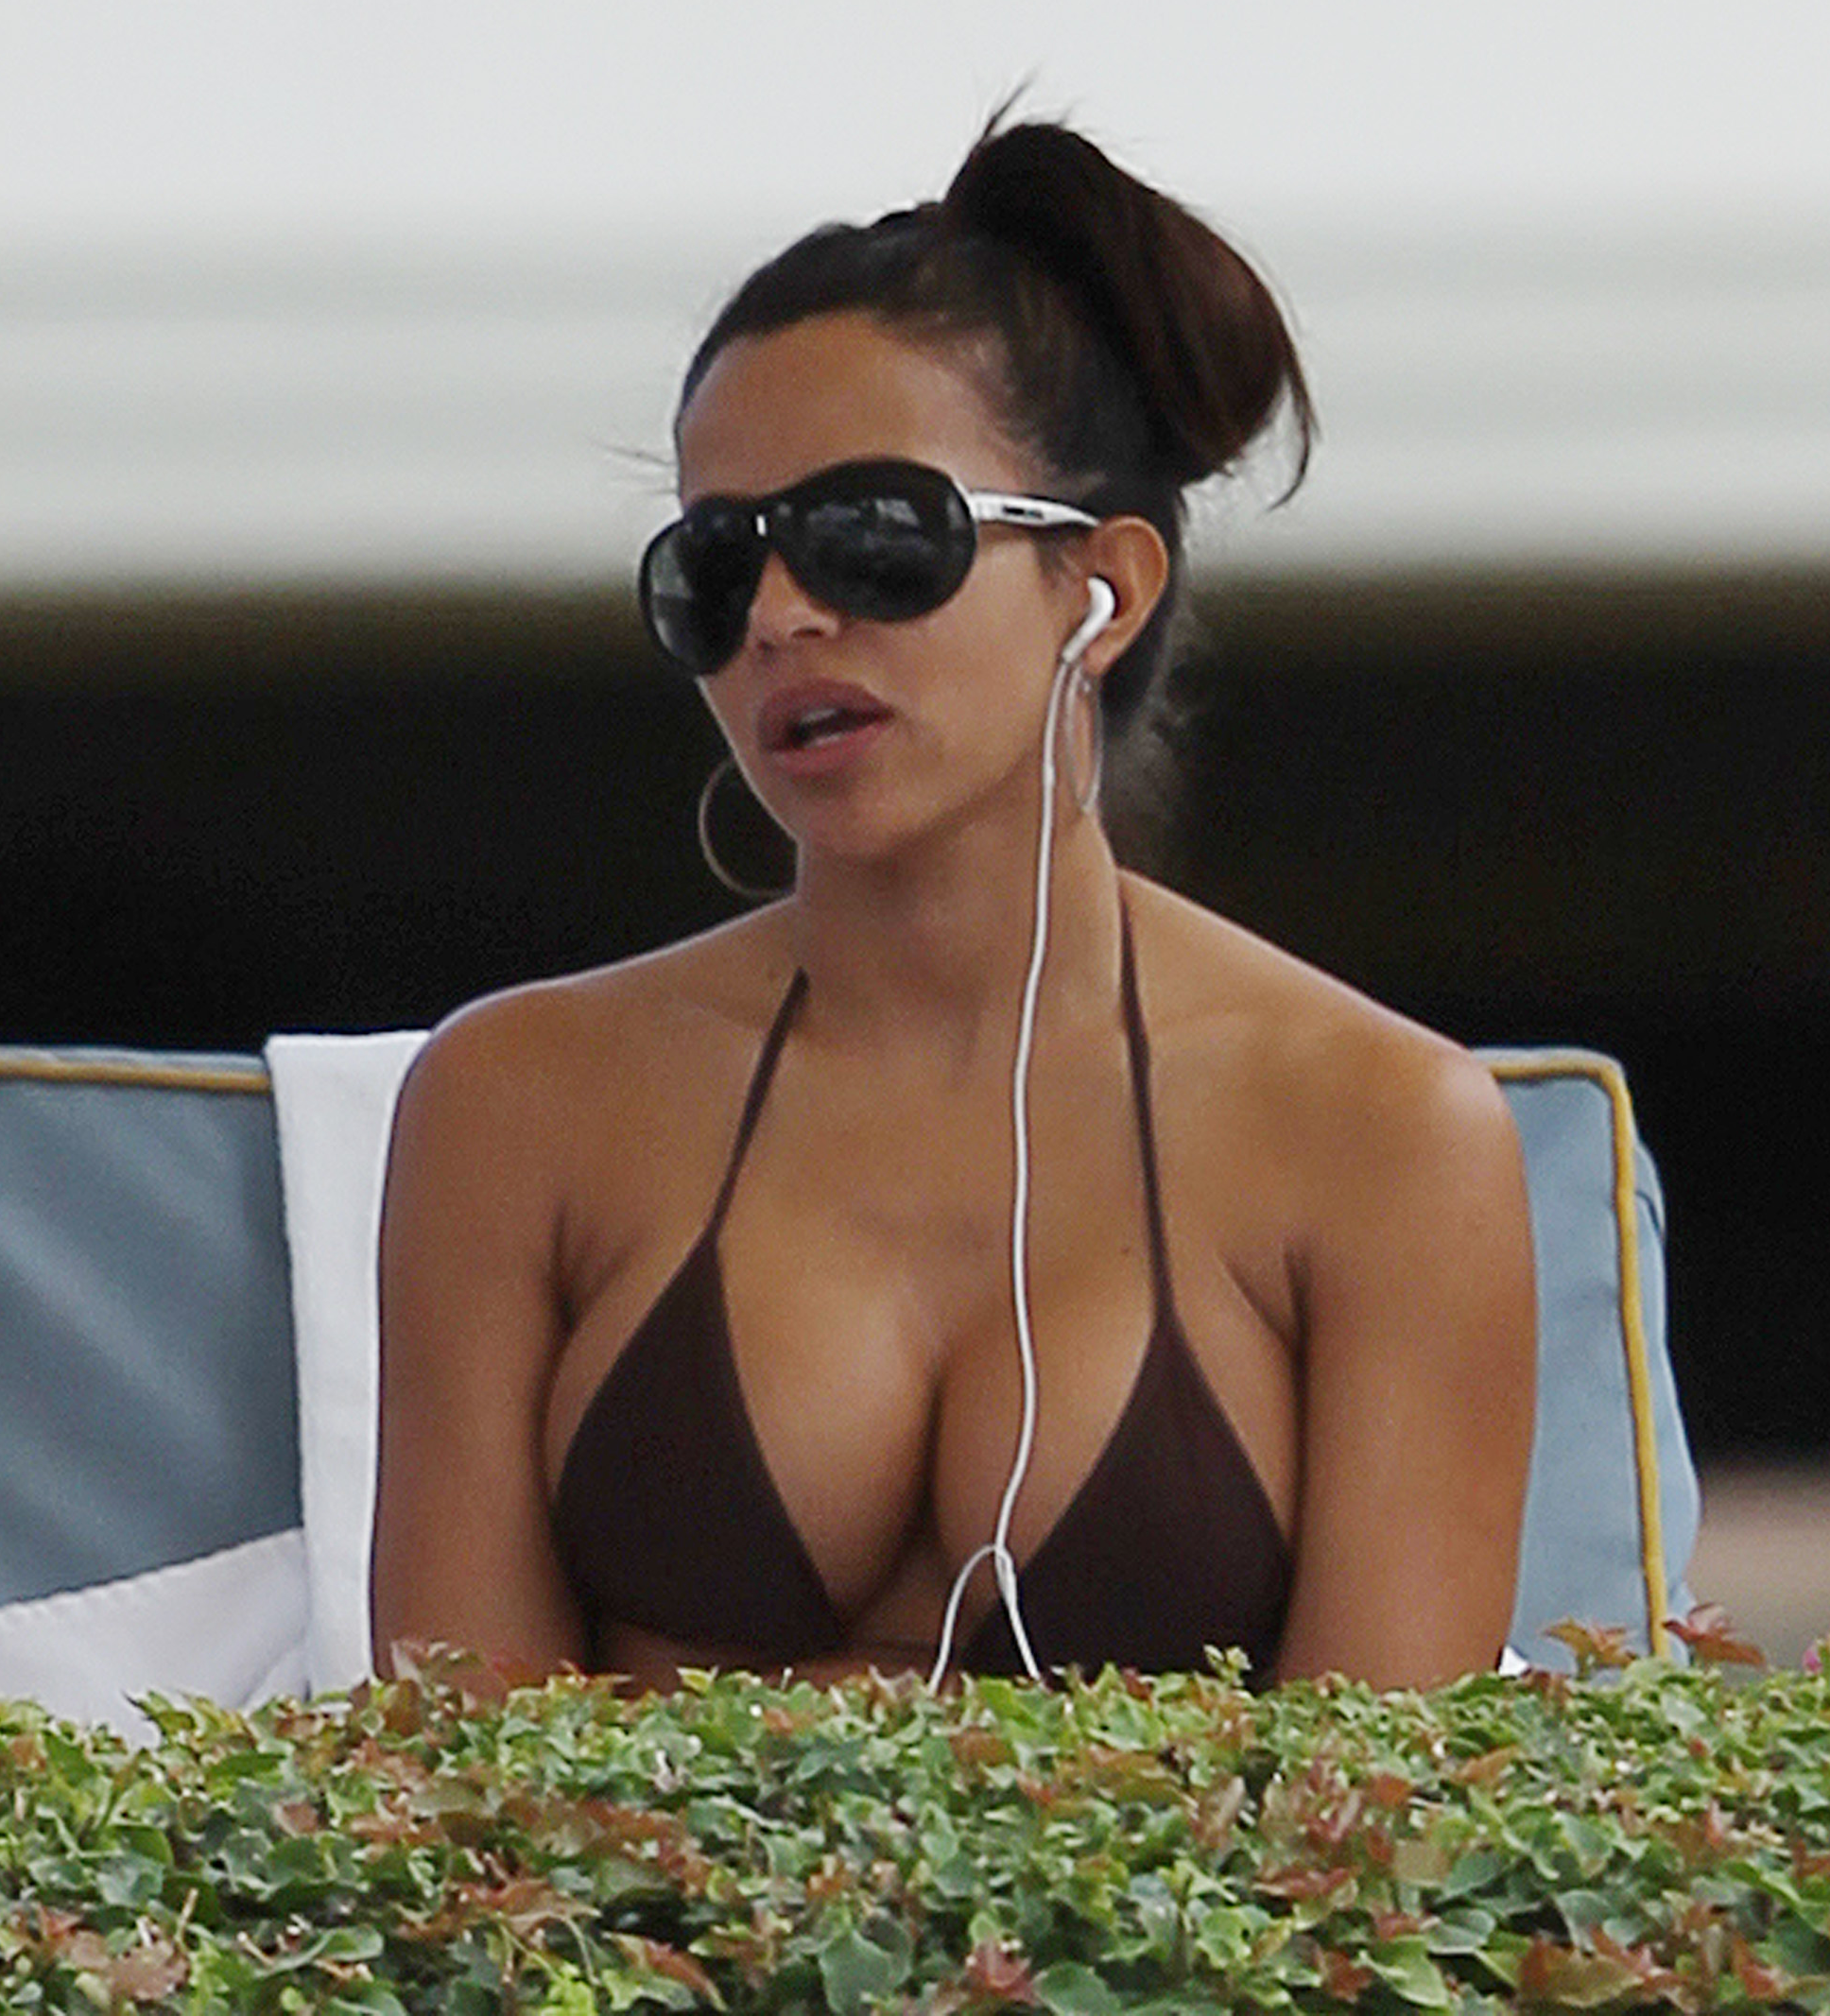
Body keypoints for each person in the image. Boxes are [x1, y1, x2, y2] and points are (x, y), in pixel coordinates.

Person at [370, 117, 1536, 1689]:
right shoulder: (516, 1103)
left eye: (872, 536)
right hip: (614, 1877)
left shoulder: (1384, 1135)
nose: (781, 616)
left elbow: (1392, 1811)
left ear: (1105, 588)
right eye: (714, 566)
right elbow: (442, 1778)